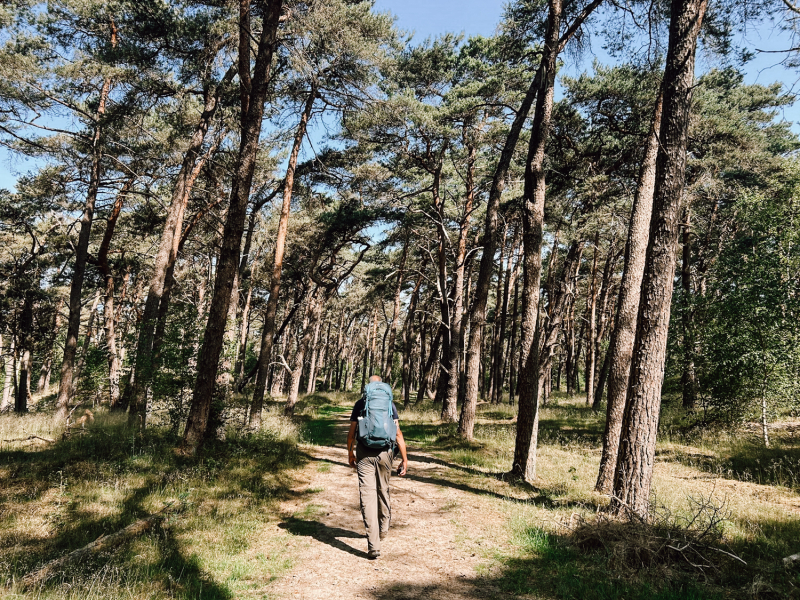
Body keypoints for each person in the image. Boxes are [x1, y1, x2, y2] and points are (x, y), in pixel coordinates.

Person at [347, 375, 409, 559]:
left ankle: (373, 544)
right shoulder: (390, 404)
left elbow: (351, 434)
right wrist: (405, 459)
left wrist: (350, 453)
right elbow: (397, 433)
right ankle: (383, 530)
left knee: (367, 495)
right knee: (383, 490)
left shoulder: (360, 404)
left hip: (364, 452)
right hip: (385, 453)